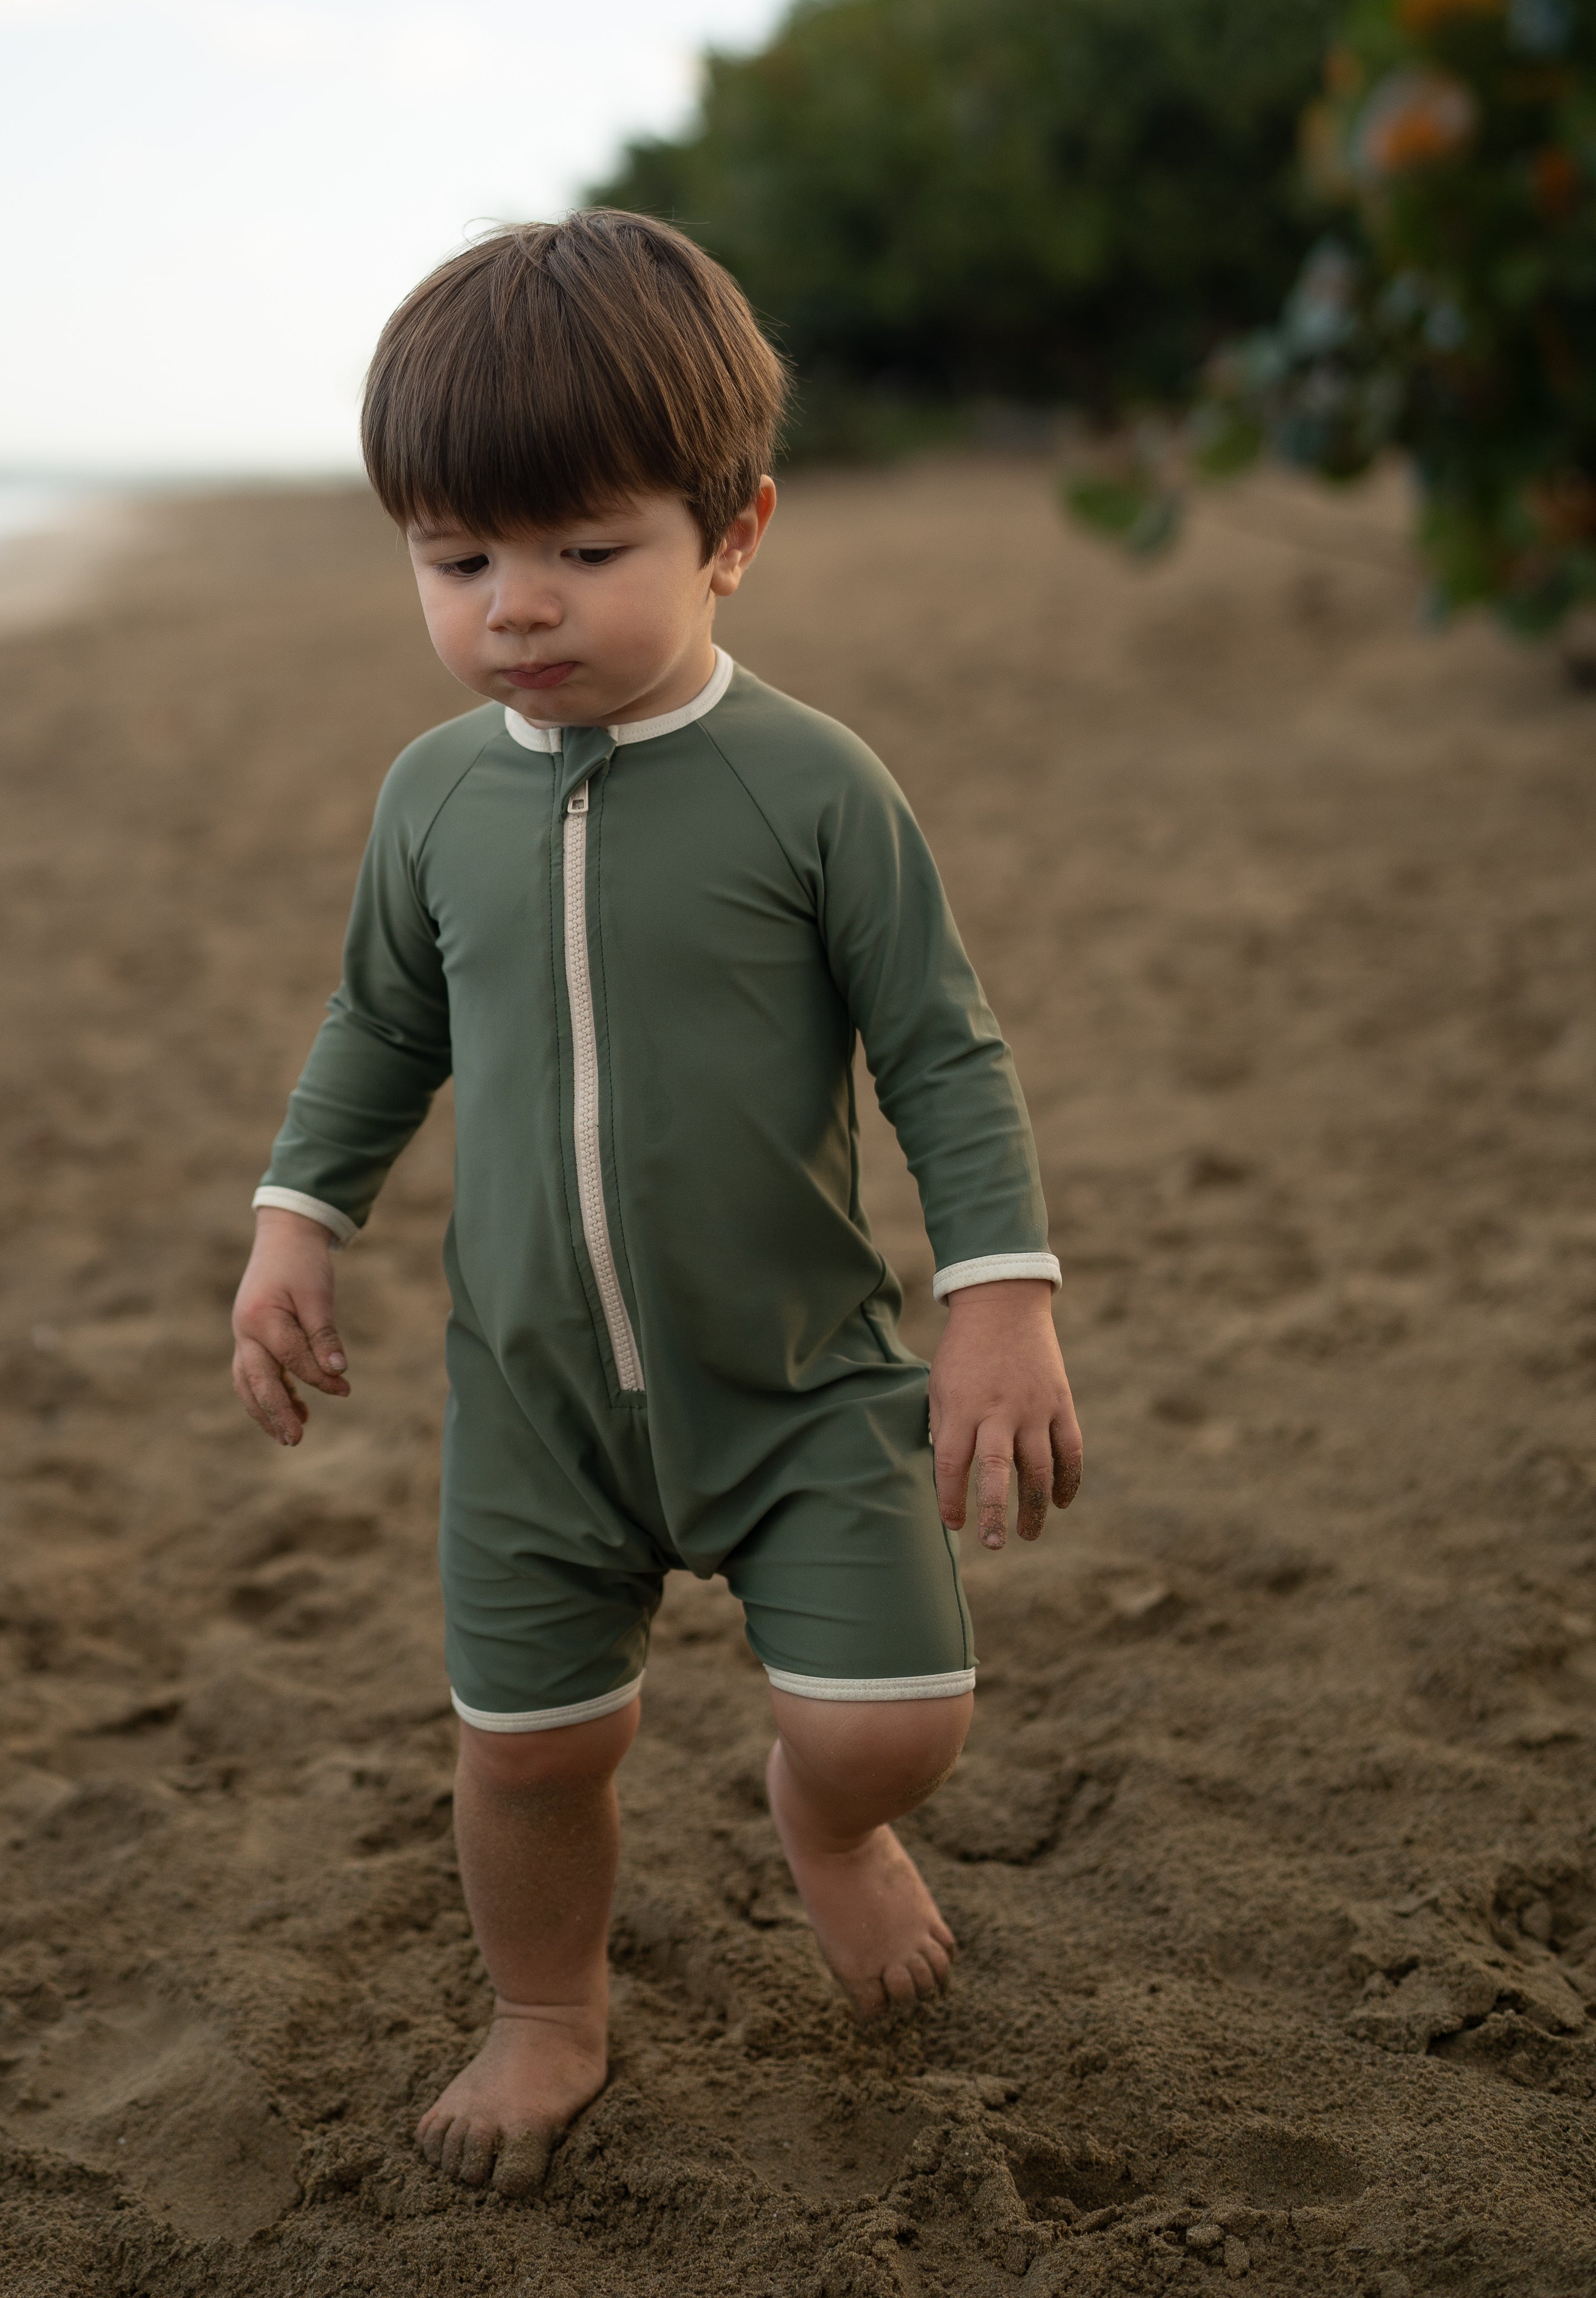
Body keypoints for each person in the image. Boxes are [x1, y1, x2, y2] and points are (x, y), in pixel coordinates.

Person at [229, 211, 1082, 2197]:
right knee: (529, 1752)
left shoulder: (815, 787)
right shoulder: (433, 799)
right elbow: (380, 1027)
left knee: (894, 1723)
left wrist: (999, 1298)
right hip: (536, 1402)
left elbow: (943, 1052)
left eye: (586, 550)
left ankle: (826, 1825)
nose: (518, 607)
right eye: (458, 560)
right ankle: (548, 2012)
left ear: (734, 532)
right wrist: (296, 1221)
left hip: (798, 1382)